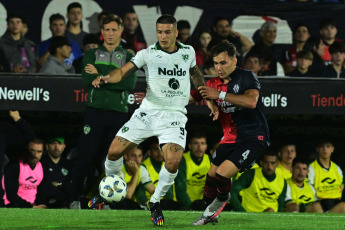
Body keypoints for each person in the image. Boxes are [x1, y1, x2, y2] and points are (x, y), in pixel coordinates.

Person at [91, 14, 215, 226]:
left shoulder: (188, 52)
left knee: (173, 162)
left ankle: (155, 202)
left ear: (176, 33)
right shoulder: (147, 54)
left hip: (175, 116)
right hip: (147, 113)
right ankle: (114, 185)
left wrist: (207, 97)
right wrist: (106, 78)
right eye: (160, 32)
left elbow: (195, 74)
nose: (163, 36)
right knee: (113, 151)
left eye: (168, 32)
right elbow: (122, 71)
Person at [189, 41, 270, 225]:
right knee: (210, 177)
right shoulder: (212, 83)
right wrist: (155, 100)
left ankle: (216, 206)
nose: (218, 67)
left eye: (223, 62)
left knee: (222, 174)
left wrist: (220, 95)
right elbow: (189, 98)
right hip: (230, 138)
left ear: (234, 61)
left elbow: (251, 102)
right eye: (216, 63)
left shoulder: (246, 76)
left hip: (254, 136)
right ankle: (211, 212)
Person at [69, 14, 137, 210]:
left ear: (121, 31)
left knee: (112, 160)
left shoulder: (129, 56)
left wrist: (100, 77)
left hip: (118, 114)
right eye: (106, 29)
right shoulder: (91, 55)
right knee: (85, 156)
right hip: (94, 112)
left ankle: (108, 202)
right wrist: (113, 78)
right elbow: (86, 80)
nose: (110, 33)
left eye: (114, 29)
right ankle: (74, 199)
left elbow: (129, 83)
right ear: (102, 32)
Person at [1, 138, 46, 208]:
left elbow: (41, 191)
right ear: (26, 150)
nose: (35, 155)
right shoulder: (14, 167)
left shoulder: (41, 167)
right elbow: (11, 196)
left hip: (33, 206)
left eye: (39, 151)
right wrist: (31, 207)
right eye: (32, 150)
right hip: (13, 206)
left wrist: (39, 204)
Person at [137, 137, 178, 210]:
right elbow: (140, 193)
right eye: (156, 149)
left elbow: (169, 193)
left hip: (165, 204)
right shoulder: (143, 167)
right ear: (149, 152)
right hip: (148, 204)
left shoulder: (169, 167)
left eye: (161, 149)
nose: (159, 153)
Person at [174, 132, 211, 210]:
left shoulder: (210, 161)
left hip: (203, 204)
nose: (199, 147)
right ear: (190, 146)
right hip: (185, 205)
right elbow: (180, 188)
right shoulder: (182, 160)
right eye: (195, 143)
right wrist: (190, 208)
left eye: (202, 143)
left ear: (206, 146)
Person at [308, 139, 345, 213]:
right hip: (321, 204)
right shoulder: (311, 168)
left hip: (337, 203)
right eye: (322, 146)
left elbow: (342, 188)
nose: (325, 149)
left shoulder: (337, 168)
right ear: (317, 149)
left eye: (328, 146)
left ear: (332, 149)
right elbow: (309, 190)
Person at [38, 136, 73, 208]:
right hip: (45, 203)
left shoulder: (69, 165)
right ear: (47, 146)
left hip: (66, 203)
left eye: (59, 144)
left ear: (64, 146)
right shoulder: (40, 163)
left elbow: (72, 186)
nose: (56, 147)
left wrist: (59, 185)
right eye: (53, 143)